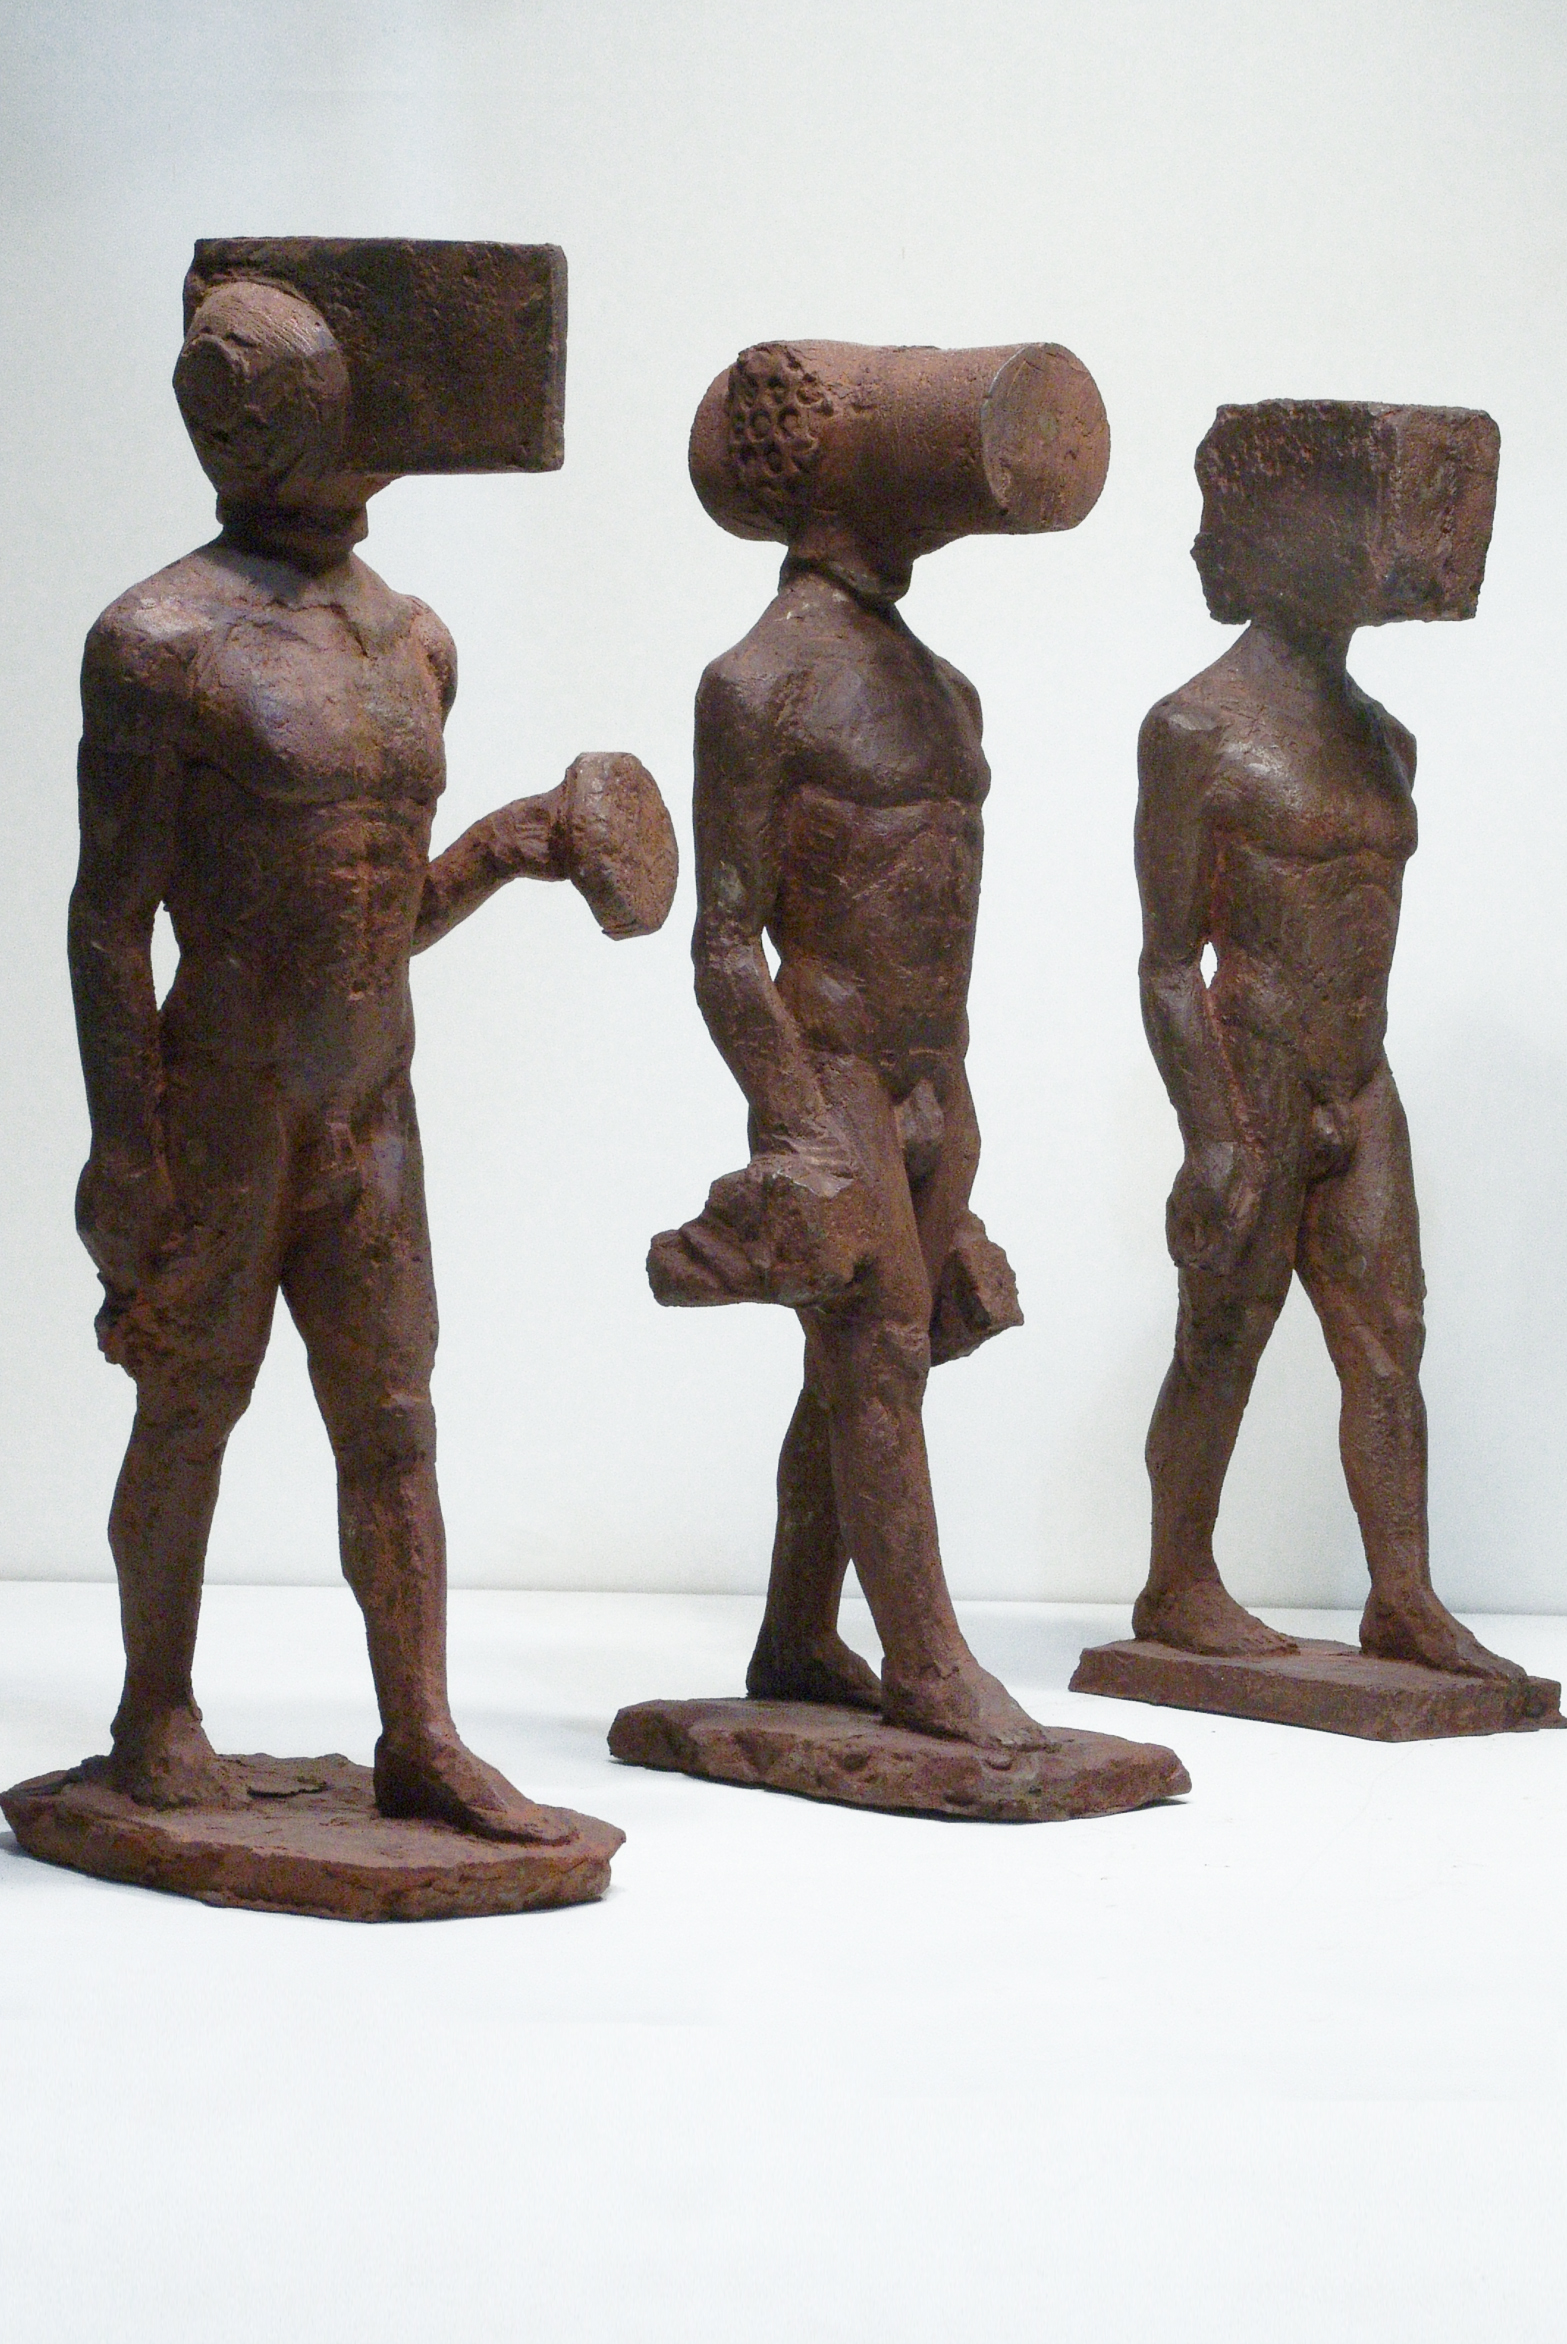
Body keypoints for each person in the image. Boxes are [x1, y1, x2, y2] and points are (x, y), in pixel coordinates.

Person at [71, 277, 672, 1838]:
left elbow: (376, 917)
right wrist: (124, 1149)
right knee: (190, 1406)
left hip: (369, 1100)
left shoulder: (414, 642)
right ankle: (152, 1717)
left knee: (393, 1418)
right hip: (223, 1100)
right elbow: (107, 922)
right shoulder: (160, 641)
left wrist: (507, 846)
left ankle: (422, 1735)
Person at [652, 340, 1105, 1746]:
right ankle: (925, 1662)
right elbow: (724, 945)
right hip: (833, 1066)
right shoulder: (756, 683)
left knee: (857, 1352)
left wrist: (950, 1097)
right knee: (880, 1344)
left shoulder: (943, 687)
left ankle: (797, 1636)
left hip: (932, 1070)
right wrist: (797, 1126)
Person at [1132, 398, 1522, 1683]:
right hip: (1254, 1066)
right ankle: (1176, 1581)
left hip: (1359, 1077)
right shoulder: (1193, 730)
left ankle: (1400, 1596)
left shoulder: (1383, 738)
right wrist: (1212, 1133)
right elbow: (1166, 960)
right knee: (1223, 1333)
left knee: (1390, 1334)